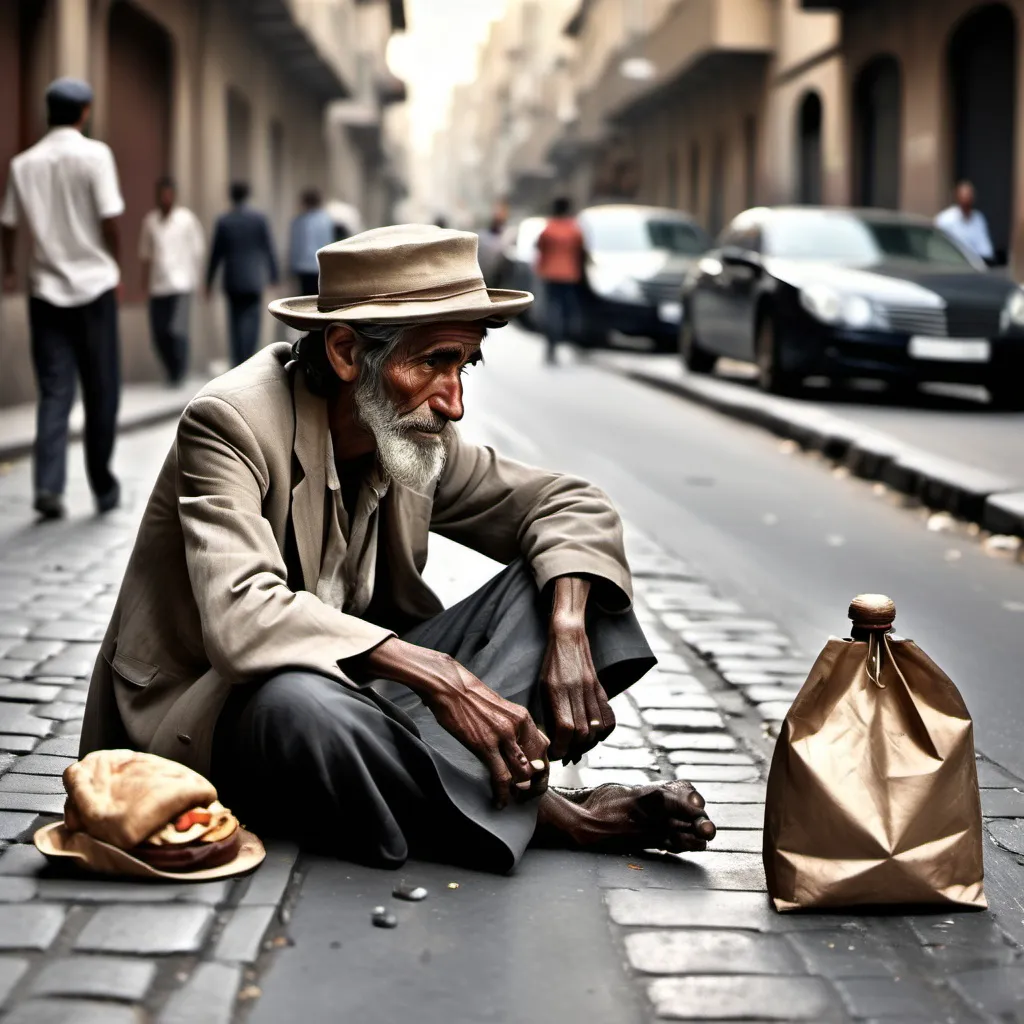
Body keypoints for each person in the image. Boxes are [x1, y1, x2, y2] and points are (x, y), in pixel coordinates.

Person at [80, 224, 717, 873]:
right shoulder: (230, 423)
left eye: (463, 366)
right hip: (219, 717)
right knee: (300, 704)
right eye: (434, 363)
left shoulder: (412, 438)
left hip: (364, 707)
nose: (456, 402)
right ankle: (560, 818)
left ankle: (434, 785)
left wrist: (568, 624)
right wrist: (437, 675)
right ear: (347, 352)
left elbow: (572, 506)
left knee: (567, 575)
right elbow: (242, 618)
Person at [0, 77, 123, 520]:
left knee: (54, 390)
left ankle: (48, 486)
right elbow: (110, 219)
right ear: (84, 112)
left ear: (47, 113)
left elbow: (8, 223)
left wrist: (11, 267)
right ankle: (103, 485)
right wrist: (115, 261)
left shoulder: (23, 163)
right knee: (101, 388)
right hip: (93, 289)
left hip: (45, 292)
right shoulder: (97, 155)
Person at [139, 177, 204, 384]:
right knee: (159, 334)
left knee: (177, 331)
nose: (165, 198)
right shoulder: (150, 222)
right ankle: (170, 369)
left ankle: (179, 373)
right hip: (158, 287)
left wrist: (198, 280)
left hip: (181, 285)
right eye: (162, 194)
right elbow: (145, 254)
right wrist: (144, 282)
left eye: (169, 194)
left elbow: (197, 251)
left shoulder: (186, 220)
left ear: (174, 195)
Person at [206, 182, 279, 366]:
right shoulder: (259, 219)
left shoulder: (224, 221)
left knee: (235, 322)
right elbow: (269, 248)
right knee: (252, 322)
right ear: (248, 195)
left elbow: (215, 254)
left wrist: (208, 282)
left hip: (233, 280)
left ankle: (238, 360)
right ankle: (249, 358)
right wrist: (274, 275)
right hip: (254, 279)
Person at [535, 197, 585, 364]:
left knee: (552, 309)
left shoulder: (549, 228)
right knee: (567, 309)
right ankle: (568, 339)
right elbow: (582, 250)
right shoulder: (574, 229)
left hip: (550, 274)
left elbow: (539, 247)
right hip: (570, 275)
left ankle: (552, 343)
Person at [288, 188, 335, 297]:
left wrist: (291, 266)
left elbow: (295, 246)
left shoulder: (298, 221)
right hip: (321, 265)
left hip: (303, 266)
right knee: (319, 297)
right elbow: (329, 243)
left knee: (305, 298)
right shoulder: (326, 220)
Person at [935, 181, 995, 264]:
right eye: (964, 197)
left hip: (975, 265)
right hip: (951, 263)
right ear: (957, 198)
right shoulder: (945, 219)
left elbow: (985, 248)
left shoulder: (978, 218)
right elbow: (938, 246)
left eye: (969, 197)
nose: (966, 201)